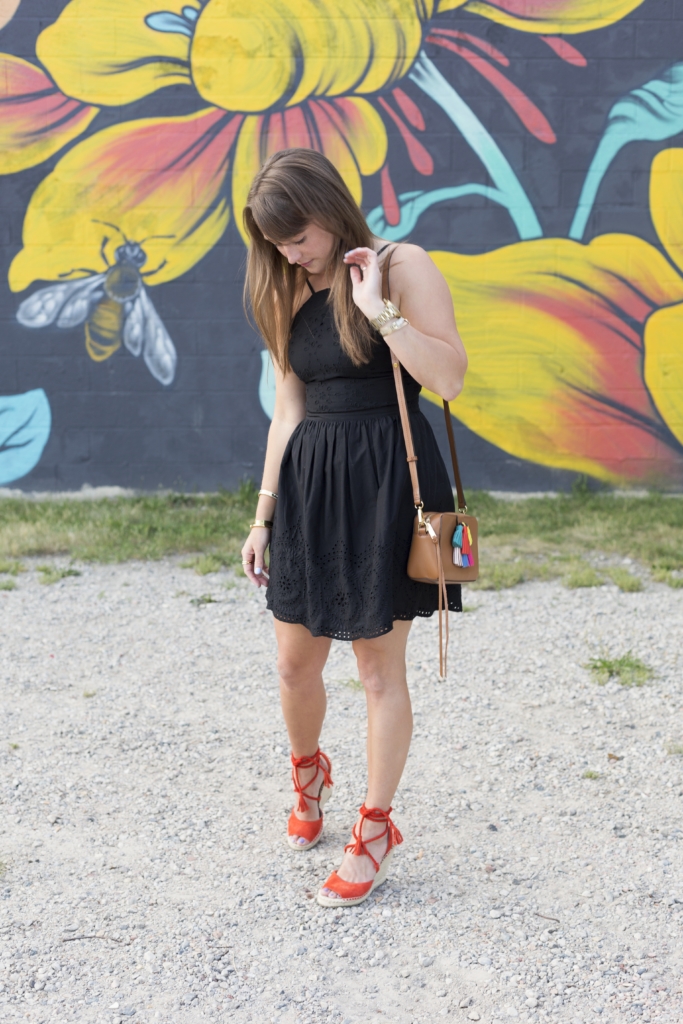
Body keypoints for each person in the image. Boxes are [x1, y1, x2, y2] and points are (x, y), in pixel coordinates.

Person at [240, 149, 467, 907]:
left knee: (376, 671)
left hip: (385, 486)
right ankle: (309, 778)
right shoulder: (284, 285)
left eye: (298, 235)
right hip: (311, 487)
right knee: (293, 664)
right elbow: (290, 405)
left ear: (331, 210)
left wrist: (378, 311)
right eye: (276, 243)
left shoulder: (401, 266)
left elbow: (448, 377)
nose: (291, 252)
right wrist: (263, 512)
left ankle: (375, 828)